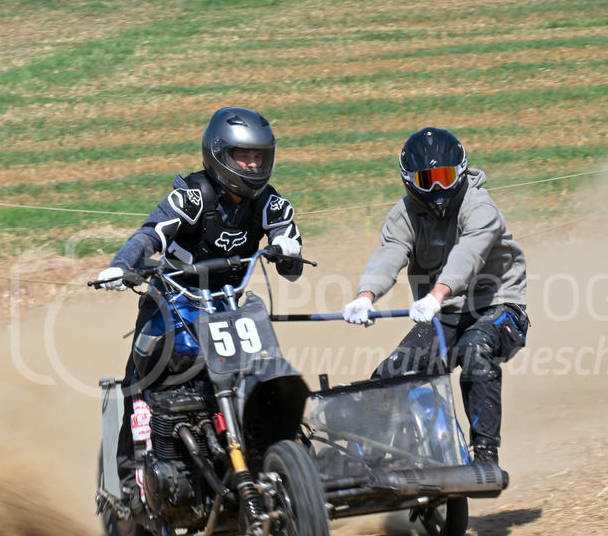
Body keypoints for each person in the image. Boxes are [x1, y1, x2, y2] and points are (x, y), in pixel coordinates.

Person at [96, 106, 303, 495]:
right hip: (173, 300)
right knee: (139, 382)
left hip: (229, 306)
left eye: (259, 156)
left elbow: (290, 258)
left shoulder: (270, 203)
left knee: (263, 370)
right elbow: (150, 234)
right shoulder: (191, 198)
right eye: (244, 156)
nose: (253, 164)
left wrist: (287, 248)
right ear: (220, 155)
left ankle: (270, 455)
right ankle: (125, 484)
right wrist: (121, 266)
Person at [342, 127, 529, 466]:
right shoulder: (404, 215)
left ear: (460, 172)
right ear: (409, 181)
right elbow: (390, 253)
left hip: (498, 306)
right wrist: (365, 295)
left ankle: (485, 456)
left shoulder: (479, 205)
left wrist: (436, 294)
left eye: (444, 177)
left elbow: (468, 254)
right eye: (426, 180)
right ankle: (371, 462)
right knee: (392, 373)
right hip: (446, 313)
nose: (437, 189)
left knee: (475, 350)